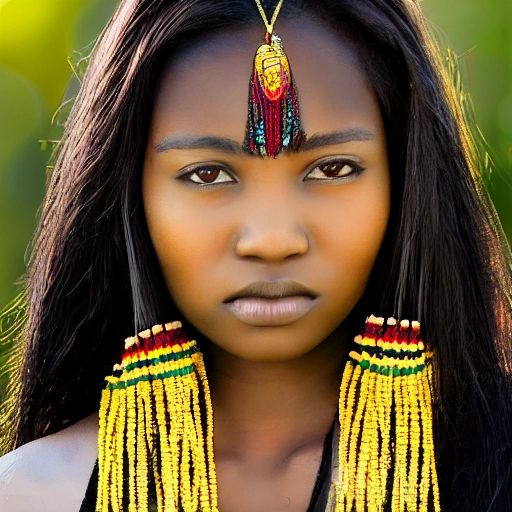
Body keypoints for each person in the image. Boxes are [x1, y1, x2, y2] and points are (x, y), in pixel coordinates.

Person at [0, 0, 511, 511]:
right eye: (207, 174)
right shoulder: (31, 496)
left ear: (408, 178)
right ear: (129, 195)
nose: (272, 240)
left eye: (332, 169)